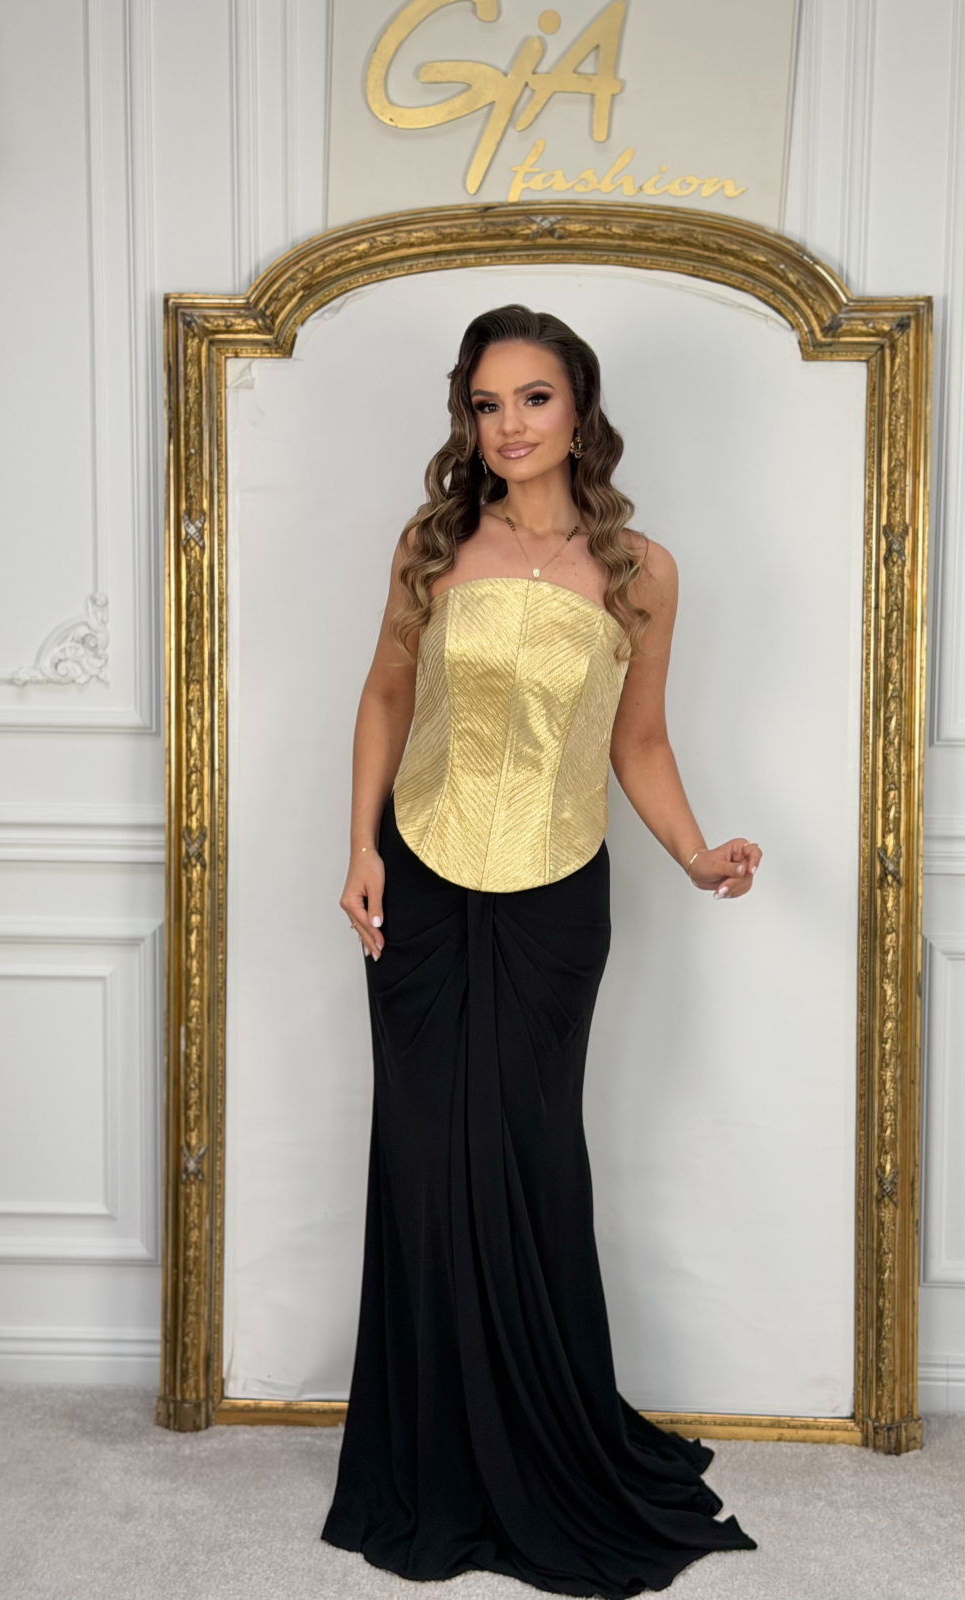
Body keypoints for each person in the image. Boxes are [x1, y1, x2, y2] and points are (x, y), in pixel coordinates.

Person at [321, 304, 762, 1597]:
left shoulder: (641, 570)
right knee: (420, 1158)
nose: (508, 426)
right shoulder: (432, 546)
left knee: (527, 1156)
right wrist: (358, 845)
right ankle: (431, 1457)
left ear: (580, 410)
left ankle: (544, 1447)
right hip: (419, 881)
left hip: (558, 895)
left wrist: (693, 852)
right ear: (466, 419)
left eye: (534, 398)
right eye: (486, 403)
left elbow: (639, 741)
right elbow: (386, 693)